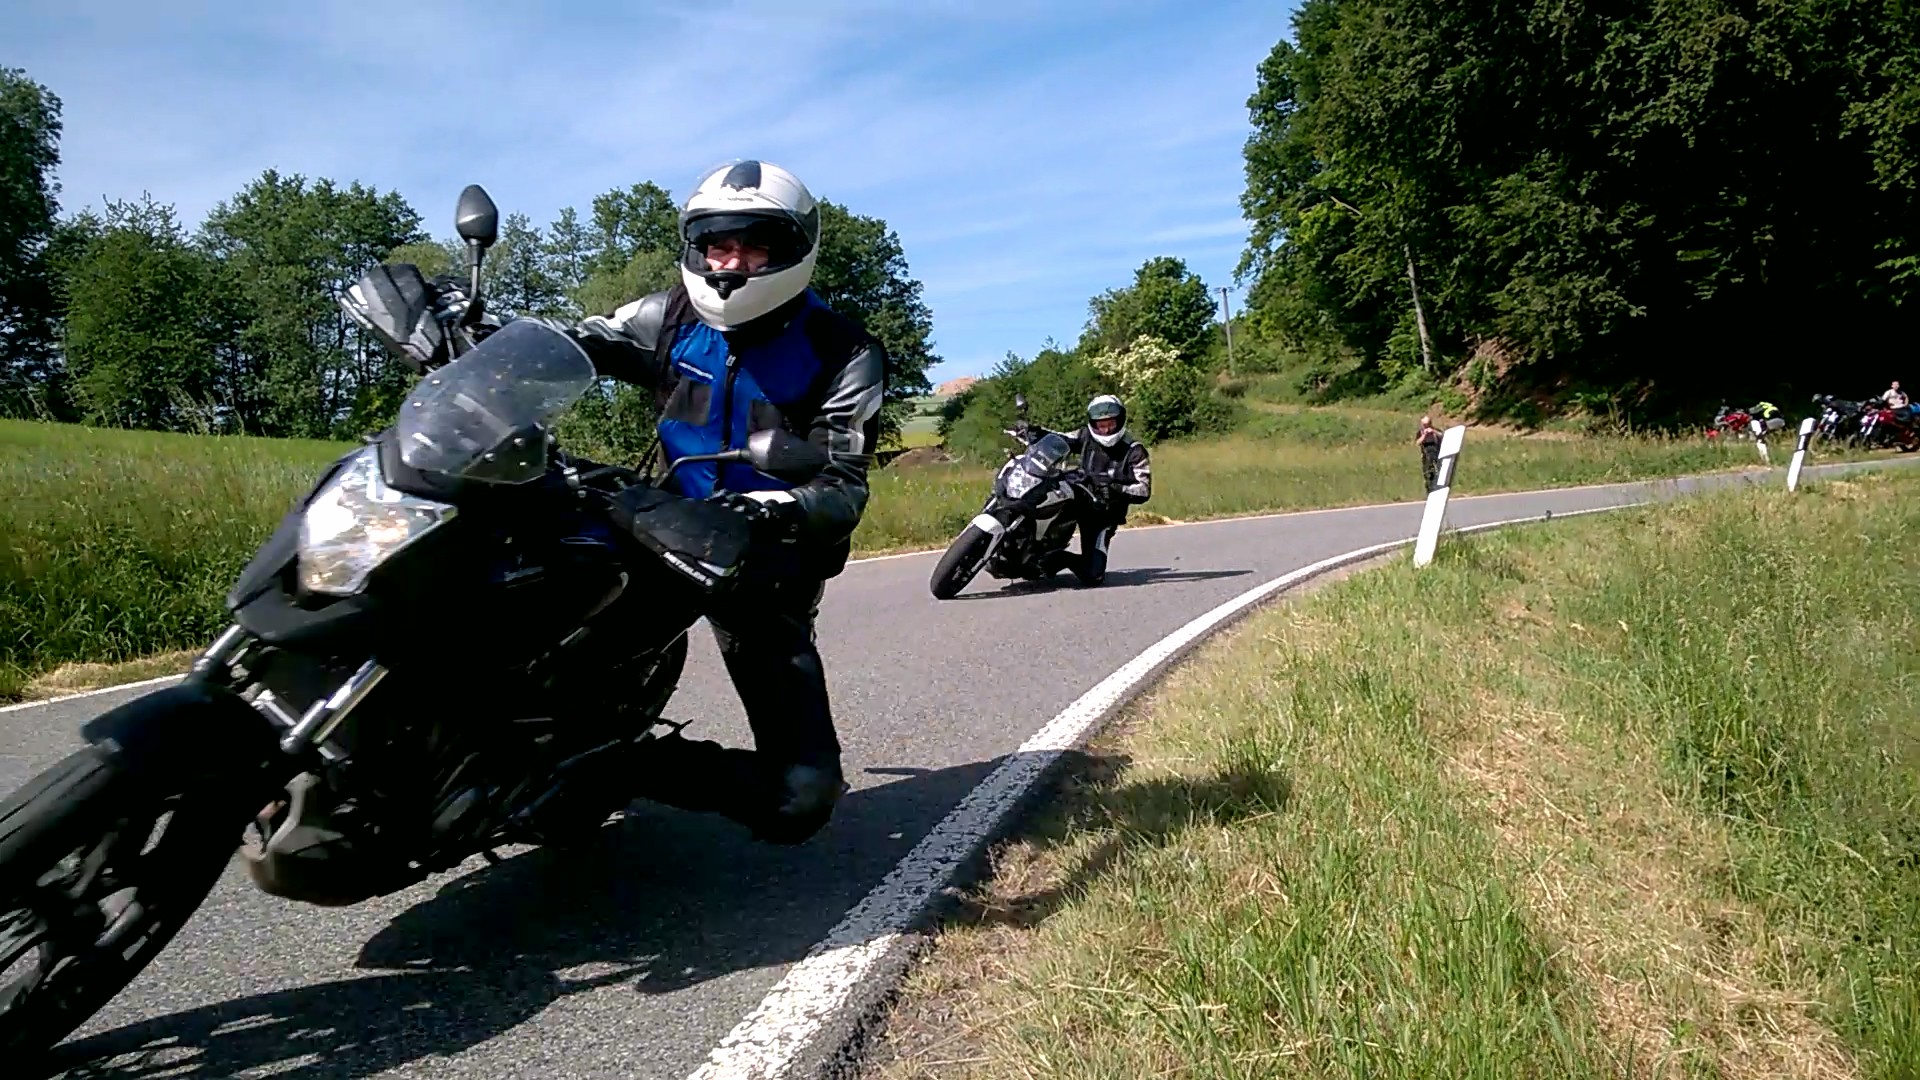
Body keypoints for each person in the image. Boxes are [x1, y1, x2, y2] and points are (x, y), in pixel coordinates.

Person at [348, 159, 885, 846]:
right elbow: (571, 342)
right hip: (657, 524)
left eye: (755, 243)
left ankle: (620, 767)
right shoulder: (668, 316)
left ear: (795, 249)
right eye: (718, 241)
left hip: (761, 565)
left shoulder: (842, 351)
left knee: (799, 797)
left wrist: (767, 510)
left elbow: (842, 486)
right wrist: (467, 328)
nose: (731, 260)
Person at [1017, 394, 1152, 586]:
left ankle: (1058, 558)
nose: (1106, 429)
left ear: (1120, 421)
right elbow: (1061, 438)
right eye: (1101, 425)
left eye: (1111, 424)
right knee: (1037, 495)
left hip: (1104, 514)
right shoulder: (1085, 435)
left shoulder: (1135, 450)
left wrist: (1115, 489)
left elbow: (1143, 489)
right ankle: (1020, 542)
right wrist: (1035, 432)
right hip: (1076, 497)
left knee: (1093, 575)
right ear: (1093, 423)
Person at [1416, 414, 1442, 492]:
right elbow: (1418, 442)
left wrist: (1433, 431)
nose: (1426, 426)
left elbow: (1442, 436)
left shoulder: (1435, 430)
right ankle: (1430, 490)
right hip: (1426, 455)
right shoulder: (1420, 432)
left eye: (1428, 424)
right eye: (1424, 424)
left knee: (1438, 472)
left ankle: (1438, 488)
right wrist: (1424, 435)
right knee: (1428, 473)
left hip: (1436, 454)